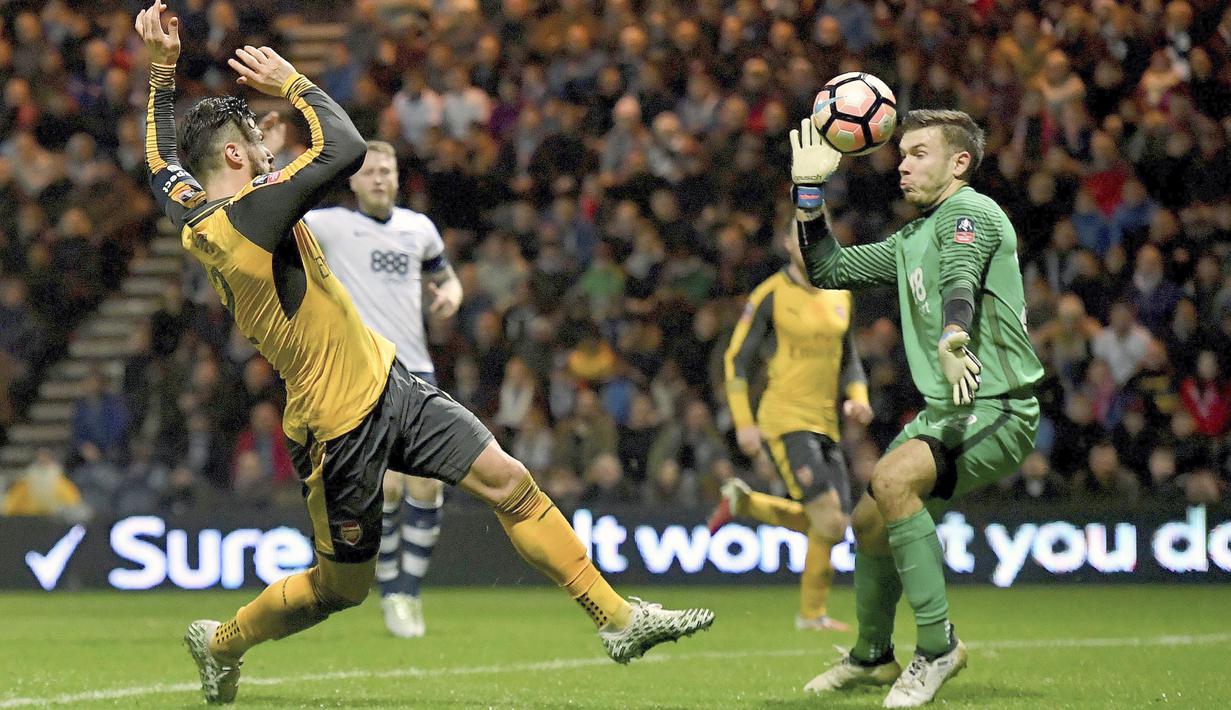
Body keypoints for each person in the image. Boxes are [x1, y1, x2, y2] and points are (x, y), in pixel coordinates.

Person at [134, 3, 712, 704]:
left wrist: (162, 70)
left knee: (508, 480)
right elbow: (344, 150)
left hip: (389, 382)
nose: (267, 148)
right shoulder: (253, 214)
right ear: (234, 156)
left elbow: (160, 158)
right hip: (335, 423)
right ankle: (221, 642)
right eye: (256, 141)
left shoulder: (195, 209)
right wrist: (292, 83)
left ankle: (617, 619)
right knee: (339, 588)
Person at [791, 110, 1042, 707]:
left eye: (919, 153)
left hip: (997, 405)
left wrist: (955, 338)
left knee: (891, 478)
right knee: (868, 523)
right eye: (901, 153)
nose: (902, 163)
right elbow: (828, 269)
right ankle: (874, 656)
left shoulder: (972, 212)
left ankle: (938, 647)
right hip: (947, 411)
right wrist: (807, 196)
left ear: (959, 162)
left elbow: (960, 276)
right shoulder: (910, 239)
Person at [301, 140, 461, 639]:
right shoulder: (329, 225)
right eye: (368, 171)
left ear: (397, 177)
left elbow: (447, 278)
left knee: (429, 484)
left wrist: (450, 298)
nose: (378, 178)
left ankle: (406, 592)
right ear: (352, 181)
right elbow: (277, 213)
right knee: (388, 488)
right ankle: (394, 591)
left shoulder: (420, 229)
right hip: (361, 374)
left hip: (417, 369)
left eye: (386, 170)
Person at [711, 224, 873, 632]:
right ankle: (811, 615)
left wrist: (859, 397)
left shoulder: (841, 293)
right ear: (786, 244)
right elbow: (735, 360)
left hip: (827, 423)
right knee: (830, 520)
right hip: (784, 420)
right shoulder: (770, 295)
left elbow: (850, 359)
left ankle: (746, 505)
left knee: (834, 527)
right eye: (800, 238)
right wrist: (744, 423)